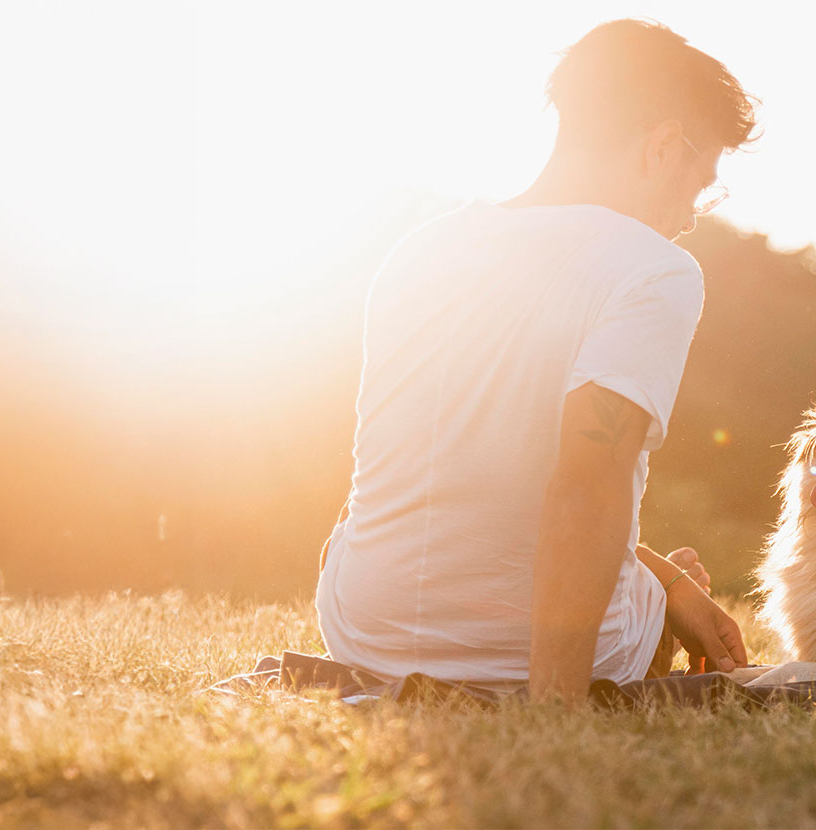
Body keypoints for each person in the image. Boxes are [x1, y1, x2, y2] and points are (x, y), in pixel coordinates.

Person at [314, 19, 758, 703]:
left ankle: (658, 584)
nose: (694, 214)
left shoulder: (420, 250)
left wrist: (661, 580)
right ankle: (654, 602)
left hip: (363, 635)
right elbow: (588, 484)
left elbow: (471, 488)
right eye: (702, 184)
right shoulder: (656, 269)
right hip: (528, 660)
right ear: (664, 146)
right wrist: (558, 707)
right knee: (654, 573)